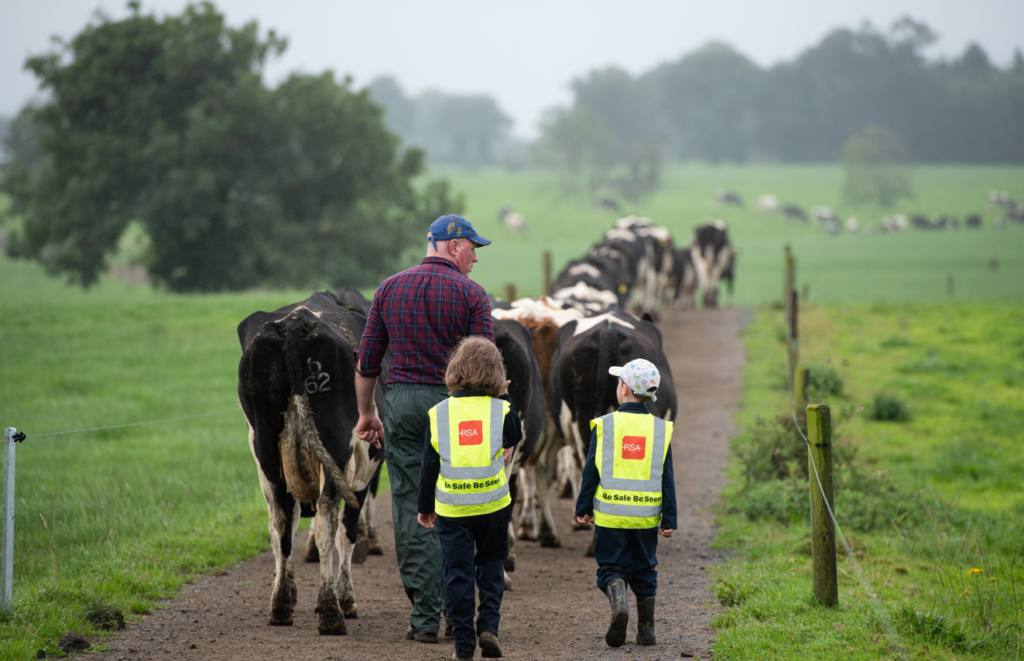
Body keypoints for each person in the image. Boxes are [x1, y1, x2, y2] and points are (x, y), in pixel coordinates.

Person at [355, 214, 495, 643]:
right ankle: (458, 619)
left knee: (412, 505)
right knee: (465, 505)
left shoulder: (389, 288)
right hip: (458, 409)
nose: (475, 257)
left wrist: (367, 414)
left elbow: (368, 361)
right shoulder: (472, 295)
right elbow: (487, 366)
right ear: (453, 246)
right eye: (473, 247)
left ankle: (422, 620)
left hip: (403, 403)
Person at [417, 337, 522, 660]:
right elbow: (514, 436)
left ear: (455, 369)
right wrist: (504, 395)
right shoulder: (501, 409)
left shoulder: (439, 413)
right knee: (491, 564)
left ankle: (463, 647)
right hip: (493, 504)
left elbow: (428, 466)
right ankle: (488, 627)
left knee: (457, 572)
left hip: (452, 508)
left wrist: (425, 507)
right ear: (496, 373)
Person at [574, 358, 677, 648]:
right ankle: (647, 631)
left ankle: (619, 605)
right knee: (645, 570)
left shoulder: (605, 426)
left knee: (610, 568)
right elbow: (666, 478)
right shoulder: (660, 430)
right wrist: (669, 519)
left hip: (610, 515)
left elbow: (590, 471)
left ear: (624, 389)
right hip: (646, 518)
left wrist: (583, 507)